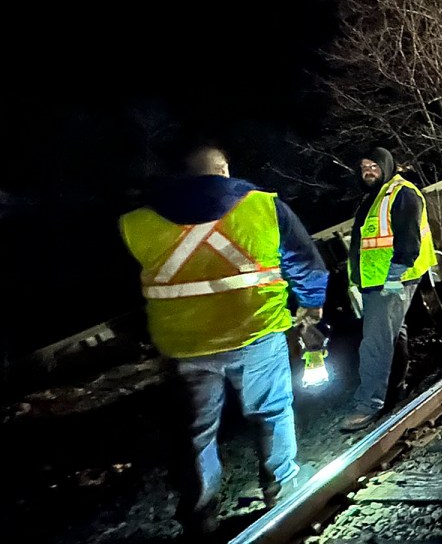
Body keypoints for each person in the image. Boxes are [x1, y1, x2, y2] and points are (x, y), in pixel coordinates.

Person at [119, 143, 328, 535]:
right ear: (224, 170)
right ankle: (281, 491)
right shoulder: (264, 206)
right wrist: (311, 306)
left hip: (184, 347)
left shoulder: (137, 222)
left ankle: (200, 515)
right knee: (271, 413)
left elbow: (124, 291)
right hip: (256, 333)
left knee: (196, 434)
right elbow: (303, 260)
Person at [340, 147, 437, 431]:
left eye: (373, 166)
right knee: (394, 335)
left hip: (393, 279)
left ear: (386, 165)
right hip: (375, 281)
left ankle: (368, 404)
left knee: (375, 342)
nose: (368, 171)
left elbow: (409, 242)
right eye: (363, 167)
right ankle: (396, 388)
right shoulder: (374, 197)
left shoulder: (402, 193)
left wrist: (394, 277)